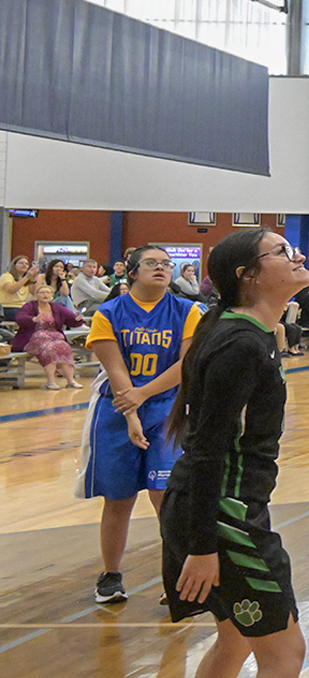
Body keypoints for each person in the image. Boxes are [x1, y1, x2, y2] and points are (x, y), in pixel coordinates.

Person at [155, 227, 309, 678]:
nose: (296, 256)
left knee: (234, 638)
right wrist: (205, 544)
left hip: (206, 508)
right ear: (247, 276)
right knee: (284, 653)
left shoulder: (241, 330)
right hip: (223, 518)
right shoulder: (238, 343)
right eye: (281, 252)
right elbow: (206, 447)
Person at [78, 246, 202, 604]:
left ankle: (178, 579)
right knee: (118, 499)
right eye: (152, 263)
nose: (162, 268)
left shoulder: (189, 310)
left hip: (167, 409)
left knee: (167, 497)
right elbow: (116, 373)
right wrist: (131, 413)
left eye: (167, 264)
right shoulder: (108, 313)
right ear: (132, 272)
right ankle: (110, 575)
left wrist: (142, 396)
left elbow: (187, 365)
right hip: (116, 411)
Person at [14, 283, 84, 388]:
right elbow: (20, 318)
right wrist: (33, 319)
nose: (45, 294)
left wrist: (77, 319)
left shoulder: (56, 308)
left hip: (55, 337)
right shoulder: (29, 306)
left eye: (48, 292)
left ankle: (71, 380)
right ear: (37, 295)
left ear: (52, 295)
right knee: (50, 349)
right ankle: (51, 381)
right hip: (34, 338)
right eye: (42, 292)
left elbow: (71, 319)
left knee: (65, 347)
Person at [1, 256, 32, 321]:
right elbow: (11, 290)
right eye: (21, 263)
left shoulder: (25, 279)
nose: (24, 265)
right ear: (14, 265)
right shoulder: (6, 276)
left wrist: (35, 277)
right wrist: (27, 277)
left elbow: (34, 292)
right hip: (7, 307)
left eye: (27, 264)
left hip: (22, 307)